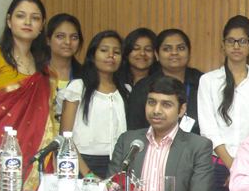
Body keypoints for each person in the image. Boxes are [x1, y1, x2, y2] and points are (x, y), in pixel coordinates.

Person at [0, 0, 56, 190]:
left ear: (42, 25)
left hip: (37, 161)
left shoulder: (46, 72)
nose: (27, 22)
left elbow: (47, 126)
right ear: (9, 21)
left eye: (35, 18)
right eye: (20, 16)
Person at [198, 15, 249, 191]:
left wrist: (242, 167)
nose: (236, 46)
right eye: (231, 41)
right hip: (216, 167)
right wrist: (234, 167)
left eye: (243, 41)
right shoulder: (208, 81)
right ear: (223, 44)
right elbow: (208, 130)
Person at [108, 76, 213, 191]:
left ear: (181, 110)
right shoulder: (128, 141)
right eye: (151, 103)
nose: (156, 110)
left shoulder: (198, 147)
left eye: (166, 105)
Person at [59, 30, 129, 178]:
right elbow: (65, 136)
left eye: (116, 52)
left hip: (117, 162)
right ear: (92, 56)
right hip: (83, 163)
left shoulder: (126, 90)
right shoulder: (78, 87)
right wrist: (87, 173)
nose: (111, 55)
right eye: (104, 50)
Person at [127, 29, 203, 135]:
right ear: (157, 55)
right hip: (151, 143)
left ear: (189, 53)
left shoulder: (202, 82)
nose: (174, 52)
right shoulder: (144, 86)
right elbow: (134, 128)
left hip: (196, 143)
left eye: (180, 48)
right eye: (167, 49)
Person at [46, 13, 84, 131]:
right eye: (60, 36)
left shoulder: (85, 78)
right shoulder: (36, 74)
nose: (67, 42)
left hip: (73, 140)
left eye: (73, 37)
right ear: (48, 40)